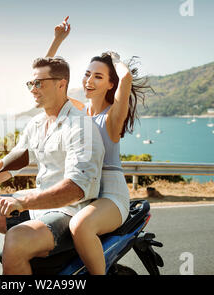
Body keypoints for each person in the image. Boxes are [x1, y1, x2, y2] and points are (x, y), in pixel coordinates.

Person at [0, 56, 105, 275]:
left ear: (61, 84)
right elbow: (11, 163)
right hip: (38, 207)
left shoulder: (80, 127)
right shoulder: (37, 124)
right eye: (31, 83)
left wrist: (22, 201)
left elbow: (76, 188)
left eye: (39, 83)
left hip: (67, 212)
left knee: (16, 239)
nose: (33, 89)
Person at [45, 17, 151, 274]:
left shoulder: (112, 117)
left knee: (81, 226)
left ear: (110, 84)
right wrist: (57, 40)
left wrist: (113, 58)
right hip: (82, 191)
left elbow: (125, 80)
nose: (89, 81)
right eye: (87, 74)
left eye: (98, 76)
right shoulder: (79, 113)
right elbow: (46, 83)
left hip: (110, 197)